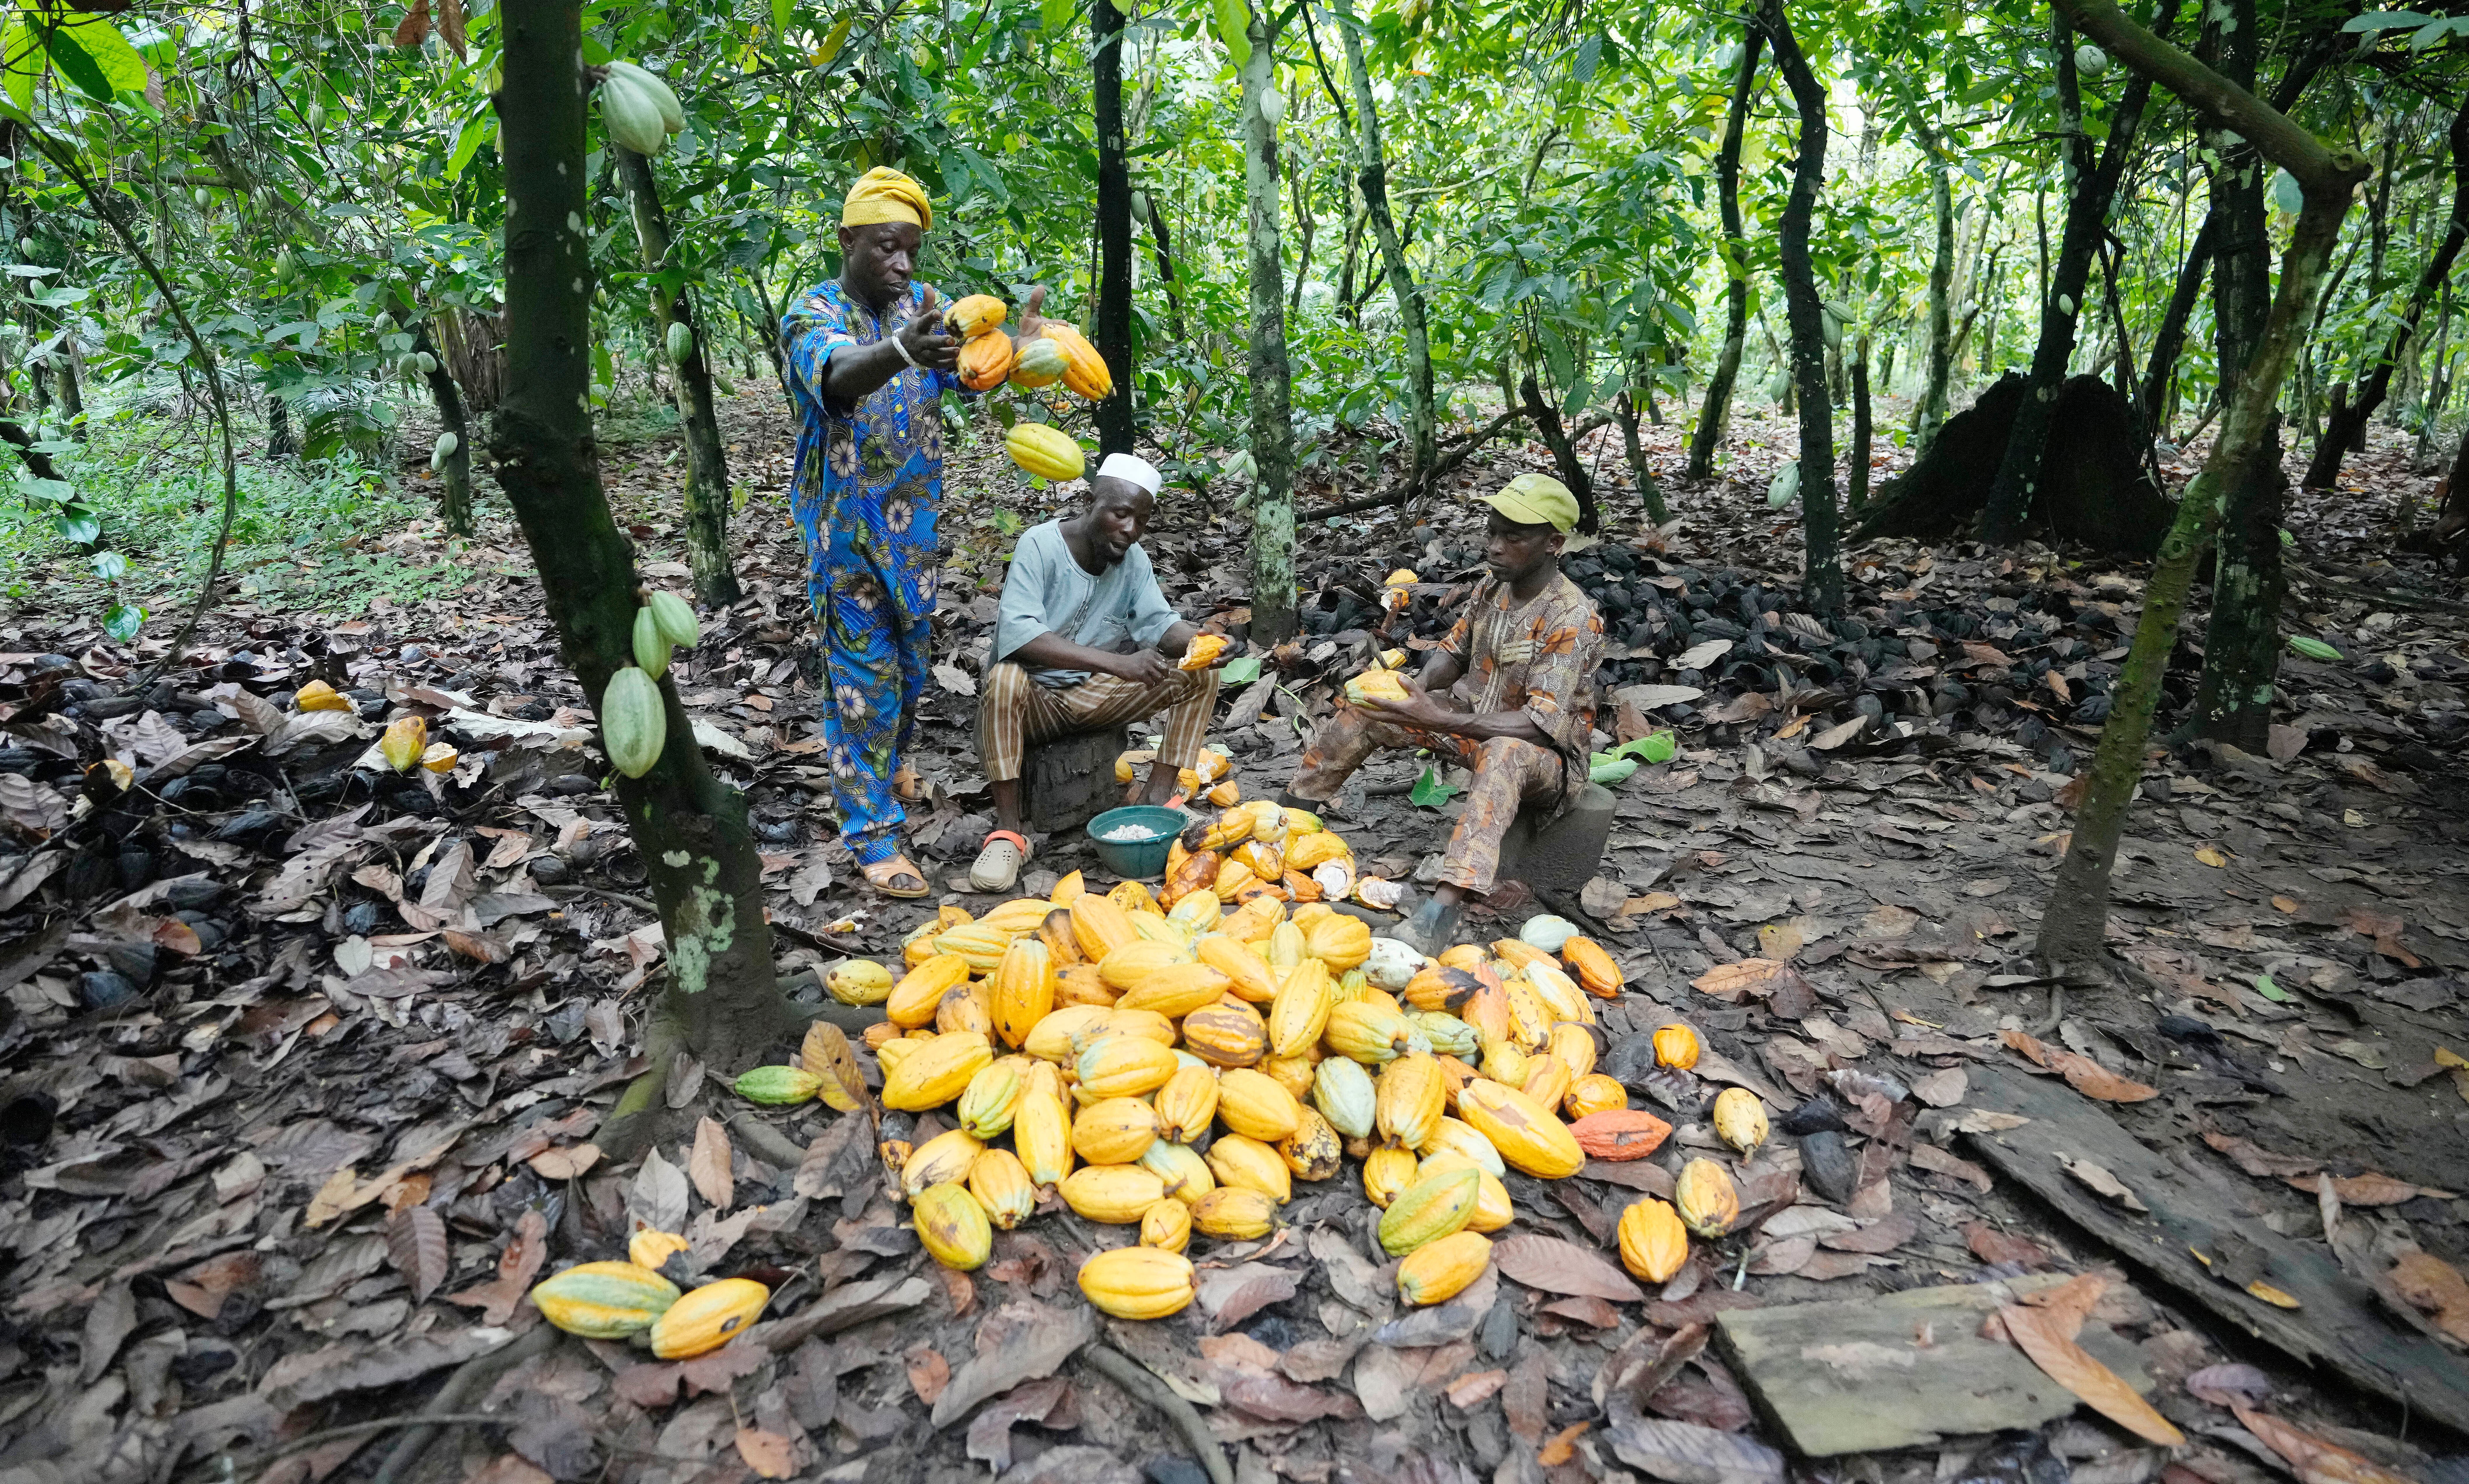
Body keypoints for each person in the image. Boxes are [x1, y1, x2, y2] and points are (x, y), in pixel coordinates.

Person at [782, 167, 1050, 898]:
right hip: (844, 534)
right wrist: (901, 349)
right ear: (848, 240)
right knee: (861, 684)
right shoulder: (812, 311)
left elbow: (969, 374)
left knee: (908, 669)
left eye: (911, 250)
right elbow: (837, 374)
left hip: (914, 530)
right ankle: (872, 832)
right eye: (886, 247)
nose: (902, 264)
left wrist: (1020, 352)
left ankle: (892, 765)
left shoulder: (927, 307)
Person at [1279, 474, 1604, 952]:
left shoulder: (1572, 618)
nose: (1495, 546)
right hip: (1473, 724)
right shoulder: (1492, 588)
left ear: (1554, 543)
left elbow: (1539, 726)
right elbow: (1453, 653)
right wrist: (1416, 689)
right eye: (1492, 532)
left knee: (1505, 753)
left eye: (1513, 538)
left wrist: (1439, 718)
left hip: (1547, 763)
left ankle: (1440, 912)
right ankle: (1287, 821)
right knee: (1372, 708)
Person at [970, 454, 1234, 892]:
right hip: (1033, 702)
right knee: (1004, 678)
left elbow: (1159, 625)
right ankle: (1009, 834)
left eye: (1141, 521)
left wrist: (1201, 639)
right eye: (1121, 514)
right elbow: (1020, 636)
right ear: (1090, 502)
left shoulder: (1134, 562)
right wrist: (1118, 664)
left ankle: (1158, 799)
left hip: (1093, 696)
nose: (1130, 529)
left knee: (1200, 673)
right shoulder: (1041, 545)